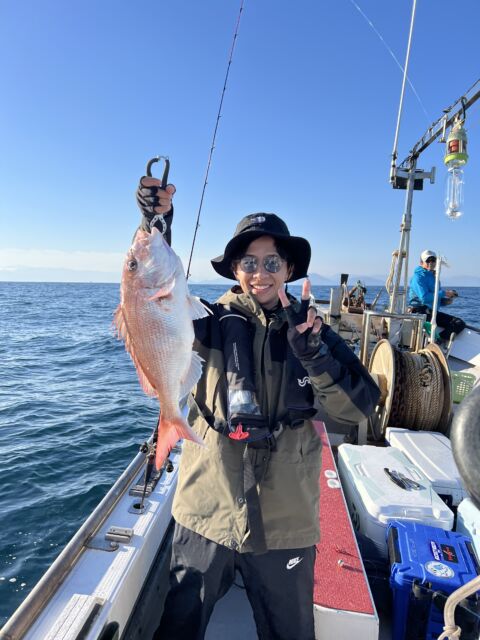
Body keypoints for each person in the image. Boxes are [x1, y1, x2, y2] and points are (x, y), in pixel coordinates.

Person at [135, 175, 380, 640]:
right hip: (207, 507)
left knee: (289, 632)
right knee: (179, 625)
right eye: (249, 262)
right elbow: (152, 296)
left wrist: (316, 358)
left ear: (289, 269)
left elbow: (357, 410)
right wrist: (155, 222)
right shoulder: (205, 320)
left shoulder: (313, 333)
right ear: (235, 269)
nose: (260, 273)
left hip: (286, 519)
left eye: (272, 262)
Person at [407, 249, 466, 341]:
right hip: (420, 312)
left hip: (431, 312)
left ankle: (439, 340)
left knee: (459, 323)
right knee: (458, 323)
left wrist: (445, 302)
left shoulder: (434, 277)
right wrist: (444, 293)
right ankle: (438, 341)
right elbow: (424, 298)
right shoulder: (418, 277)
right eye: (428, 260)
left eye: (433, 260)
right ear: (421, 262)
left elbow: (434, 298)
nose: (431, 263)